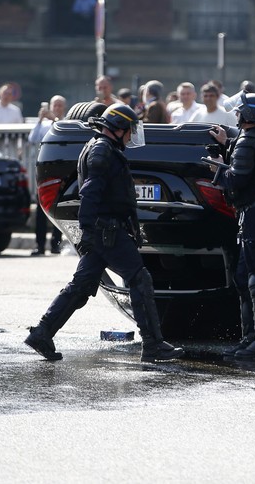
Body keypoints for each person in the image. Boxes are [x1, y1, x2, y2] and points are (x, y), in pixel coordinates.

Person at [25, 103, 184, 363]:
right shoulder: (102, 151)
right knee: (139, 279)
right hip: (107, 231)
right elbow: (88, 193)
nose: (132, 136)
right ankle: (153, 345)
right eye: (130, 130)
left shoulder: (103, 147)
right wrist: (87, 232)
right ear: (118, 129)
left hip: (104, 230)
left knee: (82, 285)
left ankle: (43, 332)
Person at [207, 94, 255, 360]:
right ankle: (250, 337)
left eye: (240, 112)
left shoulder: (248, 141)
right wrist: (227, 142)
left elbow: (237, 179)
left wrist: (217, 168)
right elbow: (251, 156)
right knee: (244, 276)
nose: (237, 115)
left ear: (249, 116)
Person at [28, 95, 68, 255]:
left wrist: (55, 119)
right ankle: (39, 244)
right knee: (40, 209)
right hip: (44, 169)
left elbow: (63, 133)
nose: (57, 108)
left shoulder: (65, 122)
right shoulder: (44, 125)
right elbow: (32, 138)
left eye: (59, 105)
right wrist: (39, 120)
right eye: (55, 105)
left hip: (59, 168)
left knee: (57, 207)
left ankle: (55, 243)